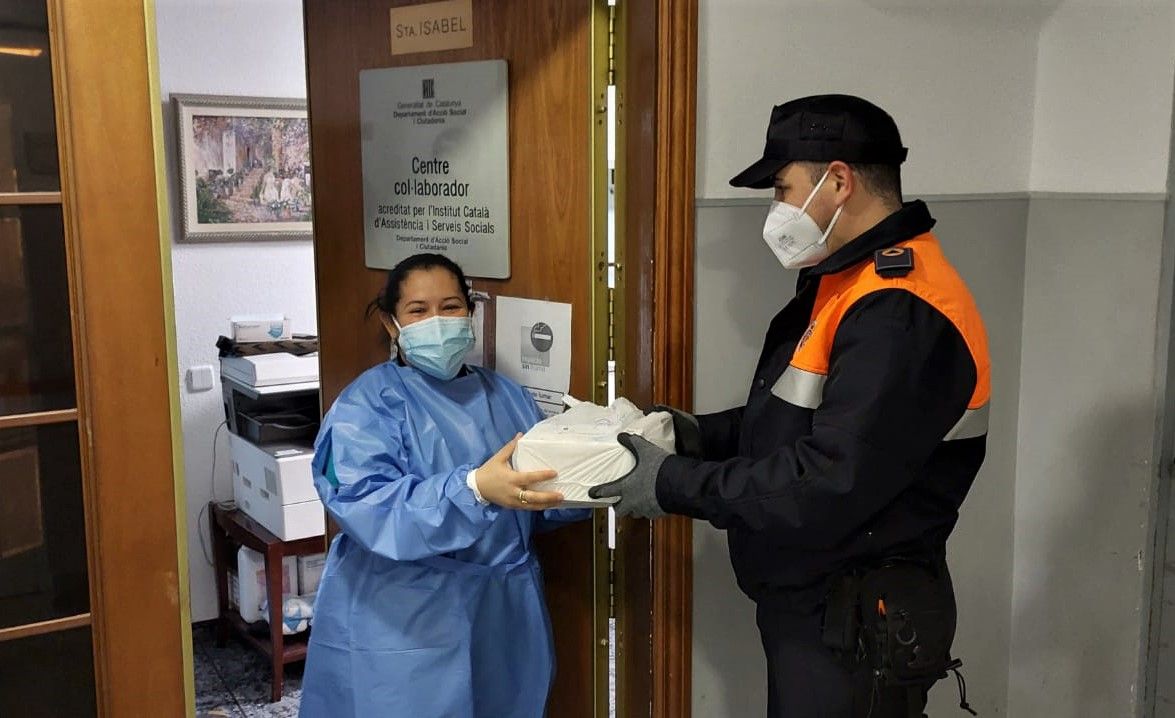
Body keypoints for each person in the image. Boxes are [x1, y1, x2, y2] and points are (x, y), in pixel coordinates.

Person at [592, 95, 989, 718]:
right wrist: (688, 434)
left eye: (782, 188)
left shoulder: (899, 311)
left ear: (837, 181)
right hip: (817, 607)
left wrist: (672, 483)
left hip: (854, 620)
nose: (777, 209)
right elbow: (792, 421)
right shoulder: (844, 283)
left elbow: (826, 480)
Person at [299, 253, 588, 718]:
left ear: (470, 313)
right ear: (394, 326)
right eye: (418, 310)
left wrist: (600, 475)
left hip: (503, 613)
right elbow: (366, 505)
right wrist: (472, 489)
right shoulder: (366, 407)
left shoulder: (507, 397)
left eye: (451, 306)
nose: (437, 321)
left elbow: (541, 494)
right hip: (403, 619)